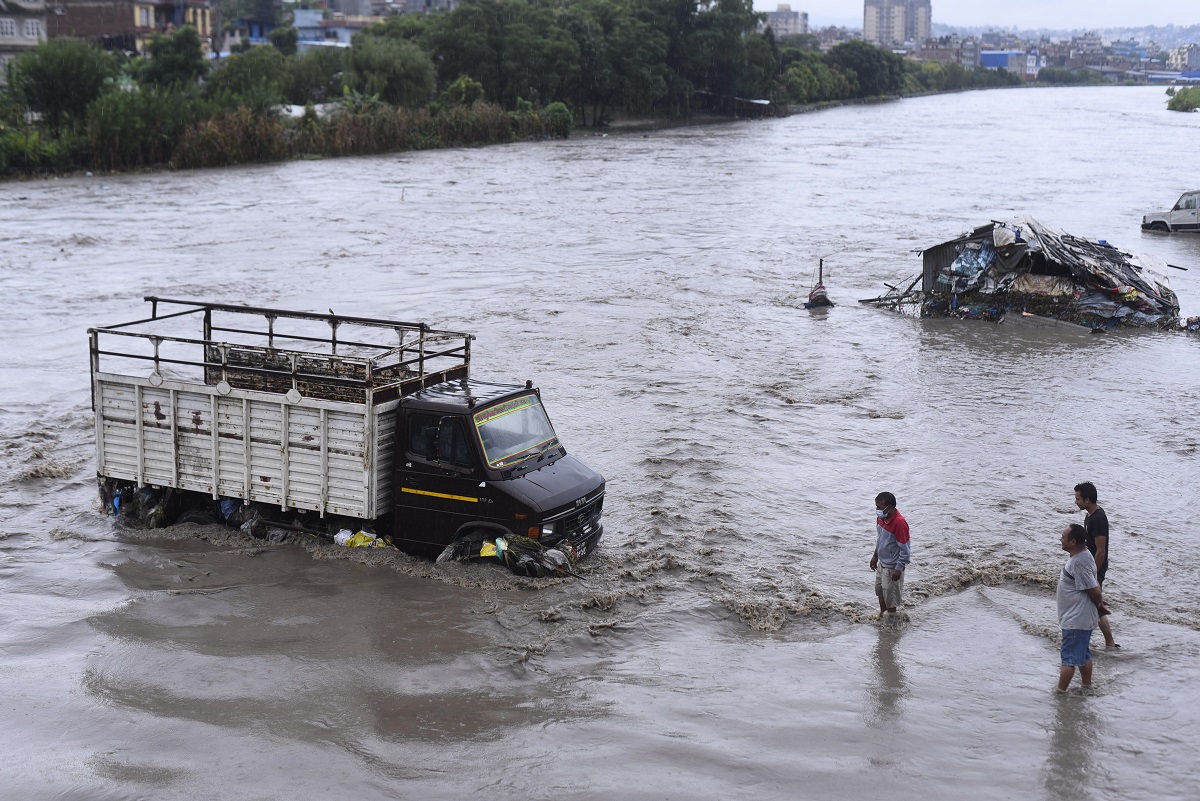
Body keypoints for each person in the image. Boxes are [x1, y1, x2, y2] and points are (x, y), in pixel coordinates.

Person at [1056, 523, 1108, 693]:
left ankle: (1060, 694)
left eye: (1063, 537)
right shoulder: (1082, 556)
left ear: (1073, 542)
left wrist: (1099, 602)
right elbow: (1092, 586)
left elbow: (1094, 590)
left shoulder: (1079, 562)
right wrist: (1098, 603)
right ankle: (1087, 688)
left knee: (1069, 659)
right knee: (1083, 654)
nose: (1060, 539)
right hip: (1078, 618)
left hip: (1076, 620)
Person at [1074, 481, 1119, 649]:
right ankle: (1109, 643)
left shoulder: (1098, 519)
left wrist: (1093, 575)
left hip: (1096, 568)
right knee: (1093, 604)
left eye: (1078, 499)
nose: (1076, 502)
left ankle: (1109, 643)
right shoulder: (1090, 515)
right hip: (1089, 567)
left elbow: (1101, 551)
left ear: (1087, 500)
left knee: (1093, 605)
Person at [869, 492, 910, 621]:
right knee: (880, 592)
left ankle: (891, 622)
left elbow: (905, 550)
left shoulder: (900, 523)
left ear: (890, 507)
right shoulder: (881, 518)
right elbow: (880, 539)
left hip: (892, 567)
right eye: (876, 506)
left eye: (880, 507)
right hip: (882, 563)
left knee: (890, 598)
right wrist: (875, 556)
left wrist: (898, 569)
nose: (877, 510)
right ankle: (883, 616)